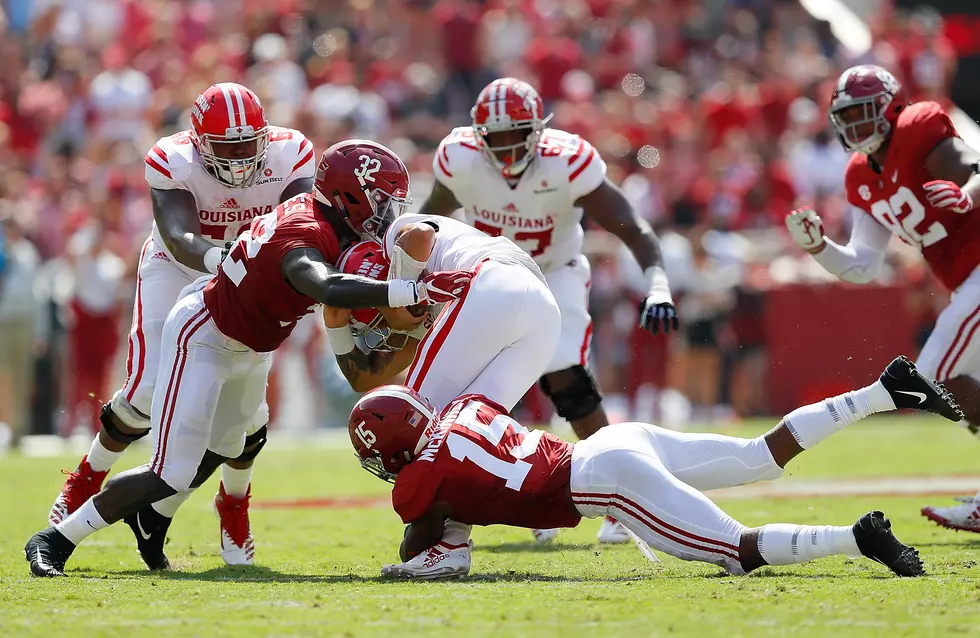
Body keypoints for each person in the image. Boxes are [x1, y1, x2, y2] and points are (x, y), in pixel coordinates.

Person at [25, 139, 474, 577]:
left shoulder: (325, 221)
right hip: (206, 335)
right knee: (172, 472)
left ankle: (151, 520)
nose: (386, 212)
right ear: (347, 195)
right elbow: (325, 286)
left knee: (230, 446)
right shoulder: (306, 232)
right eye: (379, 200)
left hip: (251, 342)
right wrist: (410, 291)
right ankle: (56, 539)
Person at [348, 356, 962, 580]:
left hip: (605, 483)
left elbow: (418, 540)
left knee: (734, 553)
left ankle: (857, 538)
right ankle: (881, 392)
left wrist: (433, 525)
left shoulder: (421, 485)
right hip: (616, 443)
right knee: (760, 456)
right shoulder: (463, 408)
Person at [46, 82, 317, 565]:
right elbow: (177, 235)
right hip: (181, 266)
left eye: (246, 144)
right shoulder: (172, 159)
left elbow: (301, 225)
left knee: (247, 411)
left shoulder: (291, 153)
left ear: (265, 135)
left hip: (251, 276)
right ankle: (89, 473)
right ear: (198, 142)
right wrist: (229, 260)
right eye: (225, 147)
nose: (237, 158)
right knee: (146, 392)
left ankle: (234, 503)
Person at [418, 77, 678, 543]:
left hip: (555, 270)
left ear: (538, 130)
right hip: (492, 274)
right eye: (493, 137)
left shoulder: (567, 162)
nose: (504, 148)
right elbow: (429, 223)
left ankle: (626, 493)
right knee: (478, 385)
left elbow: (632, 228)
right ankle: (525, 489)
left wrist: (657, 282)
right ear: (477, 134)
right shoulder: (458, 159)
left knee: (563, 371)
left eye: (514, 135)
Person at [785, 65, 980, 532]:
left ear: (892, 107)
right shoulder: (859, 176)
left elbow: (976, 169)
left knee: (933, 374)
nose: (853, 125)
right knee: (959, 385)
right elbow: (862, 264)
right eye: (845, 116)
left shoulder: (919, 127)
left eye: (862, 113)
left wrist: (967, 197)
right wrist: (819, 248)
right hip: (967, 281)